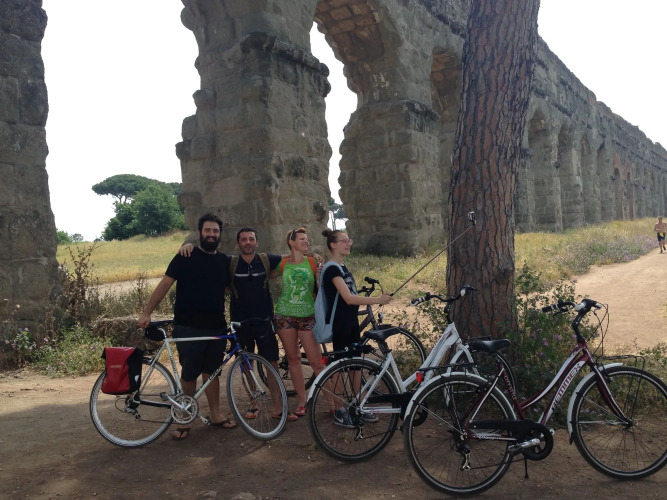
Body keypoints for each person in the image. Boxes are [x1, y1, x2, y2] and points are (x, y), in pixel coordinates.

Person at [137, 213, 237, 440]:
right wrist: (147, 312)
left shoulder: (224, 261)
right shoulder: (185, 256)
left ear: (220, 235)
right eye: (207, 230)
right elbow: (165, 284)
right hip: (188, 326)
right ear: (200, 233)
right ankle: (185, 418)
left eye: (215, 231)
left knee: (212, 372)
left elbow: (232, 286)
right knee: (190, 374)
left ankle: (216, 414)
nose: (211, 234)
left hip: (216, 327)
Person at [319, 229, 392, 427]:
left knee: (356, 364)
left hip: (350, 322)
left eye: (349, 240)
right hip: (340, 324)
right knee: (340, 367)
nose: (348, 243)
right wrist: (377, 299)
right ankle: (339, 410)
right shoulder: (332, 269)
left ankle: (358, 404)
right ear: (333, 245)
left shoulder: (342, 266)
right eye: (344, 241)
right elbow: (349, 298)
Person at [273, 227, 326, 417]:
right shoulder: (282, 264)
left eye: (307, 238)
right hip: (284, 316)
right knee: (293, 359)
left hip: (307, 316)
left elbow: (321, 286)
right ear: (291, 242)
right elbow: (266, 272)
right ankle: (303, 401)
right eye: (302, 238)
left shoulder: (312, 262)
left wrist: (314, 260)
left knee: (316, 362)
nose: (306, 241)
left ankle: (334, 402)